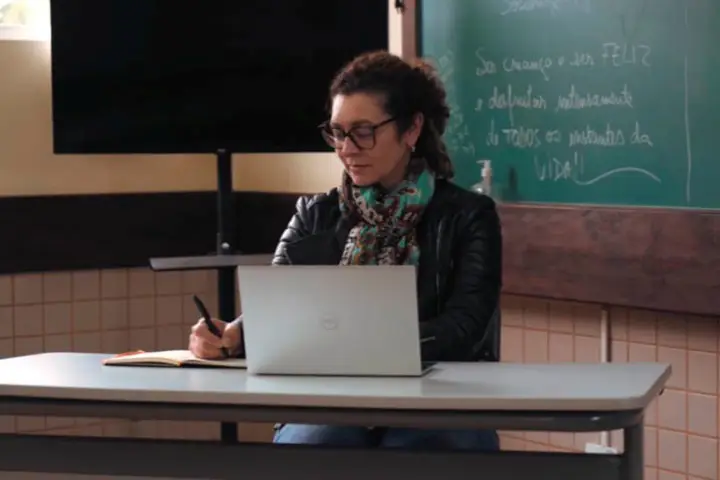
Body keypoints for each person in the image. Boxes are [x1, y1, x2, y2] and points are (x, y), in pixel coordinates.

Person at [188, 51, 502, 451]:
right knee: (318, 441)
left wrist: (363, 346)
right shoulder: (314, 214)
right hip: (330, 398)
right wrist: (231, 335)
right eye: (338, 132)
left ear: (411, 129)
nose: (346, 148)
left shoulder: (469, 216)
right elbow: (276, 310)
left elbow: (465, 328)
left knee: (418, 447)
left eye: (363, 132)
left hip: (442, 397)